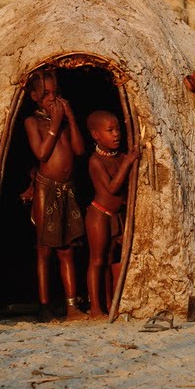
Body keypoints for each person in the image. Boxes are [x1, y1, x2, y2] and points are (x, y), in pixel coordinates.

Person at [24, 68, 89, 322]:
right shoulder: (33, 122)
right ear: (34, 97)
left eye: (55, 92)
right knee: (45, 249)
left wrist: (69, 118)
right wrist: (55, 124)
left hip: (68, 189)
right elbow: (42, 154)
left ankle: (72, 306)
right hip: (46, 189)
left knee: (67, 249)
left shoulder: (63, 121)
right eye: (46, 93)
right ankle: (44, 307)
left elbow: (79, 150)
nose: (52, 98)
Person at [84, 110, 140, 319]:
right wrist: (128, 163)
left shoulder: (121, 157)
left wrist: (128, 160)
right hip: (99, 214)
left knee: (109, 260)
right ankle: (95, 308)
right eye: (110, 130)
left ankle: (109, 304)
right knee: (97, 261)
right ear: (96, 135)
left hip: (116, 216)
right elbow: (113, 188)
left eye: (118, 129)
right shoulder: (95, 161)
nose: (116, 134)